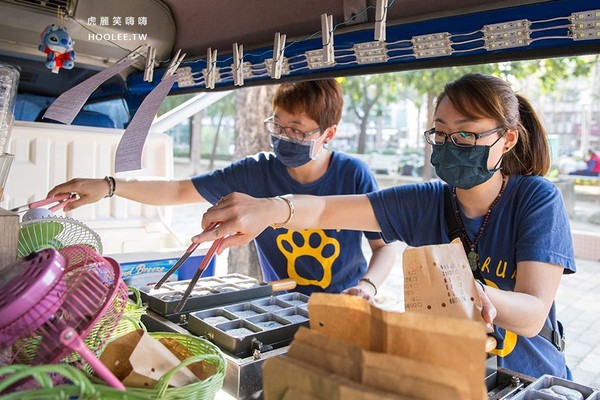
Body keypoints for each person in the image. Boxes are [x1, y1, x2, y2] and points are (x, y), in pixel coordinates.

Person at [196, 73, 576, 379]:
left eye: (465, 133)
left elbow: (531, 315)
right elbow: (326, 210)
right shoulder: (427, 201)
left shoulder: (535, 198)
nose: (449, 143)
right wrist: (270, 209)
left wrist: (476, 294)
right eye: (440, 133)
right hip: (455, 378)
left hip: (529, 381)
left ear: (507, 139)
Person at [48, 79, 398, 300]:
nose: (283, 136)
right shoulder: (256, 172)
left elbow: (385, 247)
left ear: (328, 133)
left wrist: (366, 287)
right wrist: (109, 186)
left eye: (297, 130)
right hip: (278, 300)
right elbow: (176, 191)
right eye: (277, 124)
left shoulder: (354, 175)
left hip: (344, 304)